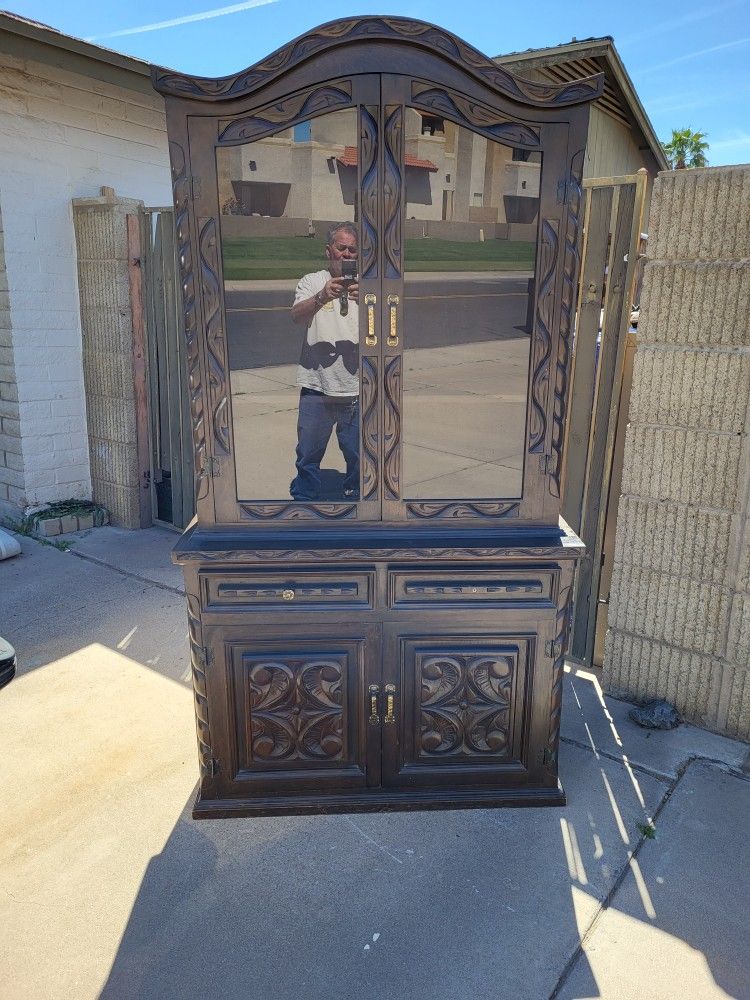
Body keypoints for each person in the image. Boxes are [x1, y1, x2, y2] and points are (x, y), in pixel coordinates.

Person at [289, 222, 359, 501]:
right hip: (316, 388)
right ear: (328, 251)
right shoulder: (312, 281)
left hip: (355, 388)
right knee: (307, 453)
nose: (347, 254)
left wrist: (369, 302)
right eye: (341, 248)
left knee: (357, 454)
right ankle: (304, 501)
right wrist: (321, 296)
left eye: (352, 249)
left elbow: (388, 328)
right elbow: (296, 317)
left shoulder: (368, 286)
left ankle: (356, 498)